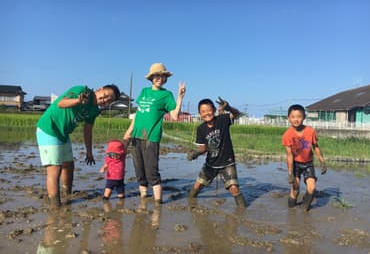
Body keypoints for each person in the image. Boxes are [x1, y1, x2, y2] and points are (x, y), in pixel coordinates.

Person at [36, 84, 121, 208]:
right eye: (106, 95)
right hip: (49, 128)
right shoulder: (81, 91)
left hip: (63, 134)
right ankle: (55, 205)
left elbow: (88, 130)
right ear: (100, 89)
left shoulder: (95, 110)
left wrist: (89, 152)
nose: (105, 100)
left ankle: (67, 195)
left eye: (109, 100)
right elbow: (61, 103)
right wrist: (78, 101)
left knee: (69, 165)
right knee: (55, 169)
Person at [123, 63, 186, 204]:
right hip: (136, 136)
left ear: (165, 78)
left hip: (151, 137)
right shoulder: (144, 92)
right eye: (156, 75)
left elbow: (175, 116)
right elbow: (138, 114)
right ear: (151, 78)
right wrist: (128, 132)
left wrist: (180, 97)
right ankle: (143, 200)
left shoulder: (166, 95)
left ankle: (158, 205)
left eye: (162, 75)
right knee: (139, 170)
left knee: (151, 171)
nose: (159, 78)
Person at [187, 97, 246, 208]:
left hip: (227, 162)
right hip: (211, 164)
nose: (206, 113)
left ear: (214, 110)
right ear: (200, 114)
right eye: (203, 112)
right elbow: (203, 148)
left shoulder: (222, 119)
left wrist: (228, 107)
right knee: (197, 186)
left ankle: (242, 211)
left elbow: (237, 114)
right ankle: (189, 202)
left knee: (234, 188)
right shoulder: (201, 129)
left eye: (209, 110)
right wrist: (196, 153)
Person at [282, 104, 327, 211]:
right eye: (293, 117)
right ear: (288, 118)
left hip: (308, 163)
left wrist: (322, 161)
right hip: (295, 164)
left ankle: (305, 209)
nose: (296, 120)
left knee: (311, 188)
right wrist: (290, 173)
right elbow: (289, 155)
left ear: (304, 117)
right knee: (295, 189)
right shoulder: (287, 135)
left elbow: (315, 147)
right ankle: (291, 210)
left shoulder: (310, 131)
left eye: (299, 116)